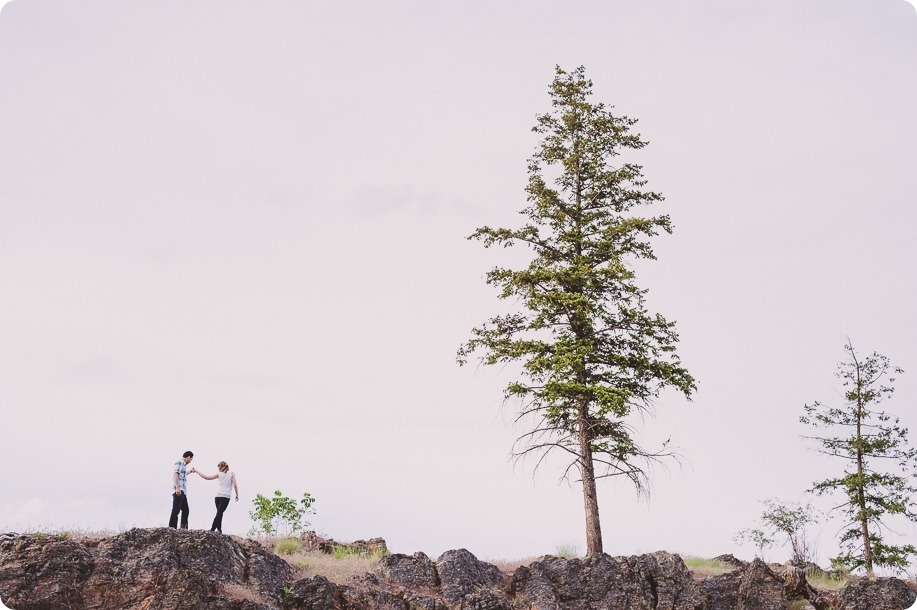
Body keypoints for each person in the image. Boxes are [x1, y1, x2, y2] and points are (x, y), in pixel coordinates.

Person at [191, 460, 239, 533]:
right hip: (225, 497)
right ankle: (212, 529)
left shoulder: (219, 474)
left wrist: (197, 471)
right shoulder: (232, 473)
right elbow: (235, 485)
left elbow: (206, 477)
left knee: (219, 513)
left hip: (217, 497)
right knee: (219, 513)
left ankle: (219, 530)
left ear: (221, 467)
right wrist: (237, 494)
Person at [168, 451, 194, 528]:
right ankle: (172, 528)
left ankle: (183, 529)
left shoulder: (183, 465)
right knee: (176, 510)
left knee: (186, 510)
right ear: (188, 457)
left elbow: (183, 475)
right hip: (179, 490)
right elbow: (175, 475)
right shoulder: (179, 463)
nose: (191, 461)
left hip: (182, 491)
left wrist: (190, 471)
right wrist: (178, 488)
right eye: (191, 459)